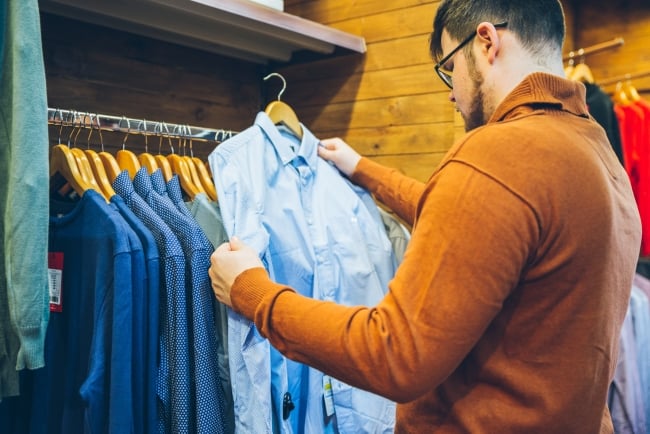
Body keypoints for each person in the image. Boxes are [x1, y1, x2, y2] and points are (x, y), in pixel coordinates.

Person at [208, 0, 642, 432]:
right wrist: (366, 171)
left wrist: (254, 293)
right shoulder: (599, 156)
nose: (451, 92)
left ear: (486, 41)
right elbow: (488, 227)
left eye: (449, 68)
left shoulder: (499, 154)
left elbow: (395, 354)